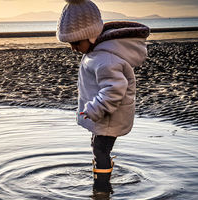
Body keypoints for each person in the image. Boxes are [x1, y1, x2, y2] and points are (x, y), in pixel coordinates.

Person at [56, 0, 150, 185]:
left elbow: (115, 89)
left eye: (76, 42)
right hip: (103, 115)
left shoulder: (105, 59)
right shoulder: (96, 54)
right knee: (98, 147)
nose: (73, 48)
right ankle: (101, 176)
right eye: (70, 43)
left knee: (100, 150)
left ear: (91, 37)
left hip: (109, 116)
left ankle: (101, 188)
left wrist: (95, 109)